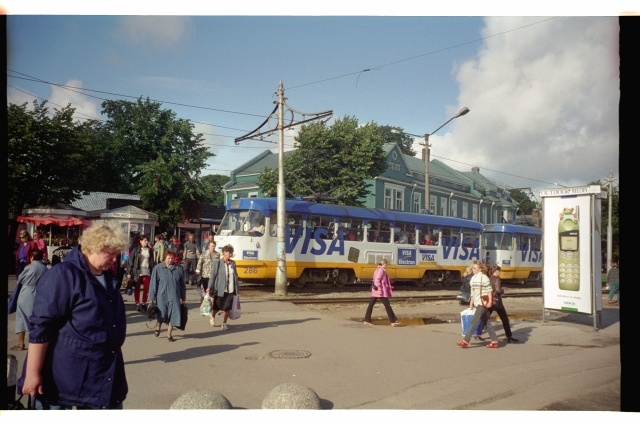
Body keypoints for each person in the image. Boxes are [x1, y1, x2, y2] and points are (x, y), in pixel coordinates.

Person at [18, 223, 129, 409]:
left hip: (103, 373)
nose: (114, 260)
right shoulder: (64, 274)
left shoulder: (106, 276)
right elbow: (41, 327)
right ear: (92, 248)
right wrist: (32, 373)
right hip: (66, 378)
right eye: (110, 253)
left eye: (116, 254)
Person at [457, 260, 500, 349]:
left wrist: (489, 302)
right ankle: (494, 341)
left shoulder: (484, 278)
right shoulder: (473, 278)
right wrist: (471, 304)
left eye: (475, 268)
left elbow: (489, 291)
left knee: (474, 321)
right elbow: (472, 293)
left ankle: (465, 341)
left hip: (483, 304)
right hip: (477, 303)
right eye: (472, 268)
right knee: (486, 322)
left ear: (480, 269)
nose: (473, 269)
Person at [11, 249, 48, 351]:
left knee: (21, 318)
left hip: (26, 293)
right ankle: (36, 342)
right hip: (39, 293)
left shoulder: (29, 267)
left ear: (31, 257)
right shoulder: (45, 268)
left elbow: (20, 279)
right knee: (36, 319)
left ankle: (20, 343)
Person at [149, 249, 187, 342]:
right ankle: (158, 327)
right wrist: (152, 297)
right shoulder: (158, 268)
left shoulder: (178, 269)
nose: (170, 260)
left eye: (172, 258)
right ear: (165, 257)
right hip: (162, 296)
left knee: (173, 315)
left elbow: (182, 284)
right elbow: (153, 283)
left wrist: (183, 295)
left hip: (175, 296)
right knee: (162, 314)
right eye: (169, 258)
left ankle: (169, 335)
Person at [207, 244, 239, 331]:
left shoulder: (233, 263)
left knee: (227, 308)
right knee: (217, 307)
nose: (230, 254)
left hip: (231, 289)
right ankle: (212, 316)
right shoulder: (218, 262)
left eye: (231, 252)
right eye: (229, 252)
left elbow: (236, 276)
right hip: (220, 289)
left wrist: (237, 290)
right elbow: (213, 276)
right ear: (224, 253)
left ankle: (224, 323)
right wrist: (209, 287)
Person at [363, 259, 401, 327]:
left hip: (376, 290)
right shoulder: (381, 270)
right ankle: (393, 321)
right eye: (386, 264)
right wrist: (380, 290)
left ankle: (367, 319)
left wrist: (388, 286)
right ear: (384, 264)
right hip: (380, 291)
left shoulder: (378, 269)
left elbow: (381, 281)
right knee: (387, 305)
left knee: (371, 304)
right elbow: (377, 280)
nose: (386, 266)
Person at [488, 265, 519, 343]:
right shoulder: (497, 279)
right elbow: (498, 290)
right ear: (496, 271)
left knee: (485, 318)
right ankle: (509, 336)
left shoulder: (489, 278)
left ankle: (477, 334)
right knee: (504, 319)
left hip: (490, 300)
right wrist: (502, 290)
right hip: (497, 302)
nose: (499, 272)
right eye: (499, 271)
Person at [127, 235, 156, 312]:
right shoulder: (136, 250)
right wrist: (129, 272)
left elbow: (152, 262)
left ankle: (144, 303)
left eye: (147, 240)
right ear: (140, 241)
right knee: (137, 288)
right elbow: (130, 261)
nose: (146, 242)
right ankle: (137, 303)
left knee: (146, 288)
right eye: (144, 240)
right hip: (137, 272)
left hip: (147, 271)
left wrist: (153, 271)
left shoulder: (150, 250)